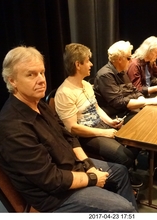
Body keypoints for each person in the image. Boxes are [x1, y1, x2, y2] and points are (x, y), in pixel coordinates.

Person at [0, 46, 138, 212]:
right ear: (12, 81)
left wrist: (87, 164)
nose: (41, 79)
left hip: (72, 168)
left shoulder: (39, 104)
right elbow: (51, 179)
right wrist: (91, 177)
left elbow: (69, 137)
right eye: (30, 74)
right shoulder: (12, 128)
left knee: (121, 172)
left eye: (42, 72)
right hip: (56, 196)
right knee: (124, 209)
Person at [54, 43, 142, 188]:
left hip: (99, 127)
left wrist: (111, 122)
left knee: (136, 139)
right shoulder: (64, 93)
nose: (91, 64)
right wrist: (105, 132)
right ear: (77, 64)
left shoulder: (87, 85)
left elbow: (96, 108)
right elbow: (73, 129)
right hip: (85, 136)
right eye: (88, 60)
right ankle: (121, 180)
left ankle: (123, 175)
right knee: (124, 156)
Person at [94, 40, 157, 184]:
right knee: (146, 128)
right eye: (129, 57)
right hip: (113, 116)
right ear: (119, 59)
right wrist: (149, 101)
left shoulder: (121, 71)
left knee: (153, 122)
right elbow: (118, 102)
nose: (131, 60)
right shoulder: (105, 75)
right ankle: (128, 168)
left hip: (125, 111)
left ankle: (153, 165)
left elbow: (134, 91)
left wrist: (144, 101)